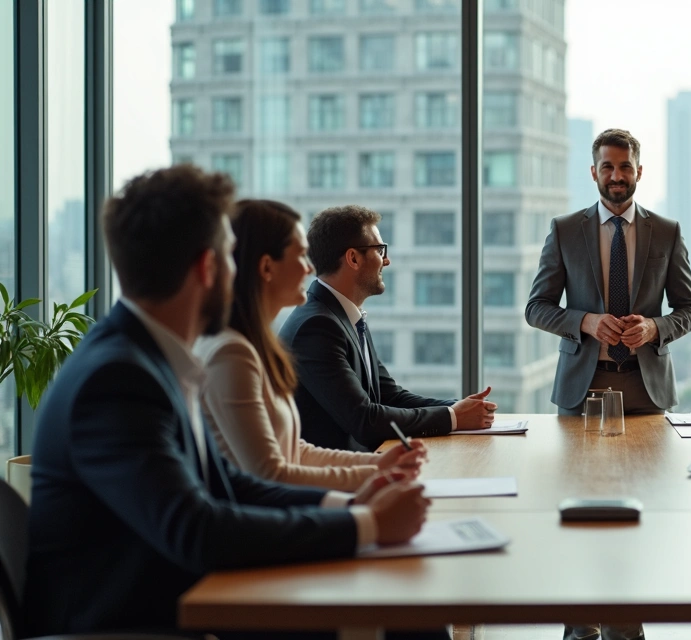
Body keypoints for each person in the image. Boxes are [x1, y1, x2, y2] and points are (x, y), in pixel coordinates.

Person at [23, 166, 443, 638]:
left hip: (192, 595)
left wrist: (349, 504)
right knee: (412, 624)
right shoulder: (117, 379)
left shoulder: (149, 357)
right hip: (140, 623)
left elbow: (233, 486)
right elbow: (198, 529)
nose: (237, 267)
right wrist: (365, 526)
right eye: (229, 254)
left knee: (414, 619)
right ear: (207, 267)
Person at [197, 199, 426, 492]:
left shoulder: (253, 345)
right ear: (267, 267)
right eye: (302, 256)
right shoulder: (232, 353)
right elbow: (271, 474)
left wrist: (379, 466)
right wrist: (372, 488)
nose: (309, 269)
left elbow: (295, 450)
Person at [279, 205, 496, 451]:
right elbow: (364, 419)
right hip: (333, 476)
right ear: (353, 258)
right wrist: (453, 418)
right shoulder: (317, 326)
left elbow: (389, 396)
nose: (387, 260)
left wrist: (459, 408)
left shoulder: (342, 316)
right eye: (380, 250)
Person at [526, 128, 691, 417]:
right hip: (582, 385)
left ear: (639, 172)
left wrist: (653, 328)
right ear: (594, 172)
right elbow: (536, 308)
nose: (617, 176)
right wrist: (586, 322)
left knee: (649, 464)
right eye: (607, 167)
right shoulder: (564, 230)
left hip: (648, 387)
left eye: (625, 167)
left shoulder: (667, 232)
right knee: (577, 464)